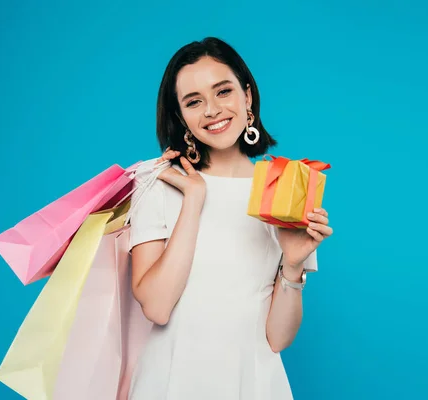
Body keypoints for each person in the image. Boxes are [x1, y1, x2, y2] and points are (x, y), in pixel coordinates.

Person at [127, 37, 333, 400]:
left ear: (247, 96)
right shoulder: (157, 182)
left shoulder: (287, 185)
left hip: (254, 384)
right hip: (171, 382)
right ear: (180, 116)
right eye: (194, 101)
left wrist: (293, 265)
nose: (212, 110)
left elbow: (277, 338)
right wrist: (194, 199)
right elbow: (157, 307)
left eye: (223, 91)